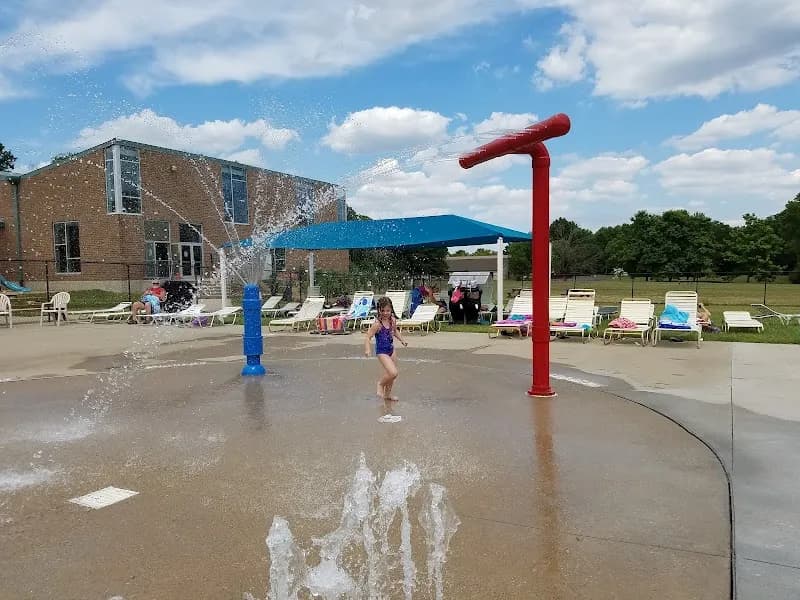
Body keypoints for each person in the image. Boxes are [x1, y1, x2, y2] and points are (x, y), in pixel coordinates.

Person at [364, 296, 408, 401]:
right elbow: (368, 337)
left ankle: (387, 394)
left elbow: (395, 331)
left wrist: (402, 340)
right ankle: (380, 384)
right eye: (382, 310)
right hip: (382, 352)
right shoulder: (377, 324)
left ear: (391, 309)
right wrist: (367, 349)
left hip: (391, 350)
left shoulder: (392, 320)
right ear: (379, 310)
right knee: (393, 373)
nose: (385, 313)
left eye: (387, 310)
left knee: (391, 376)